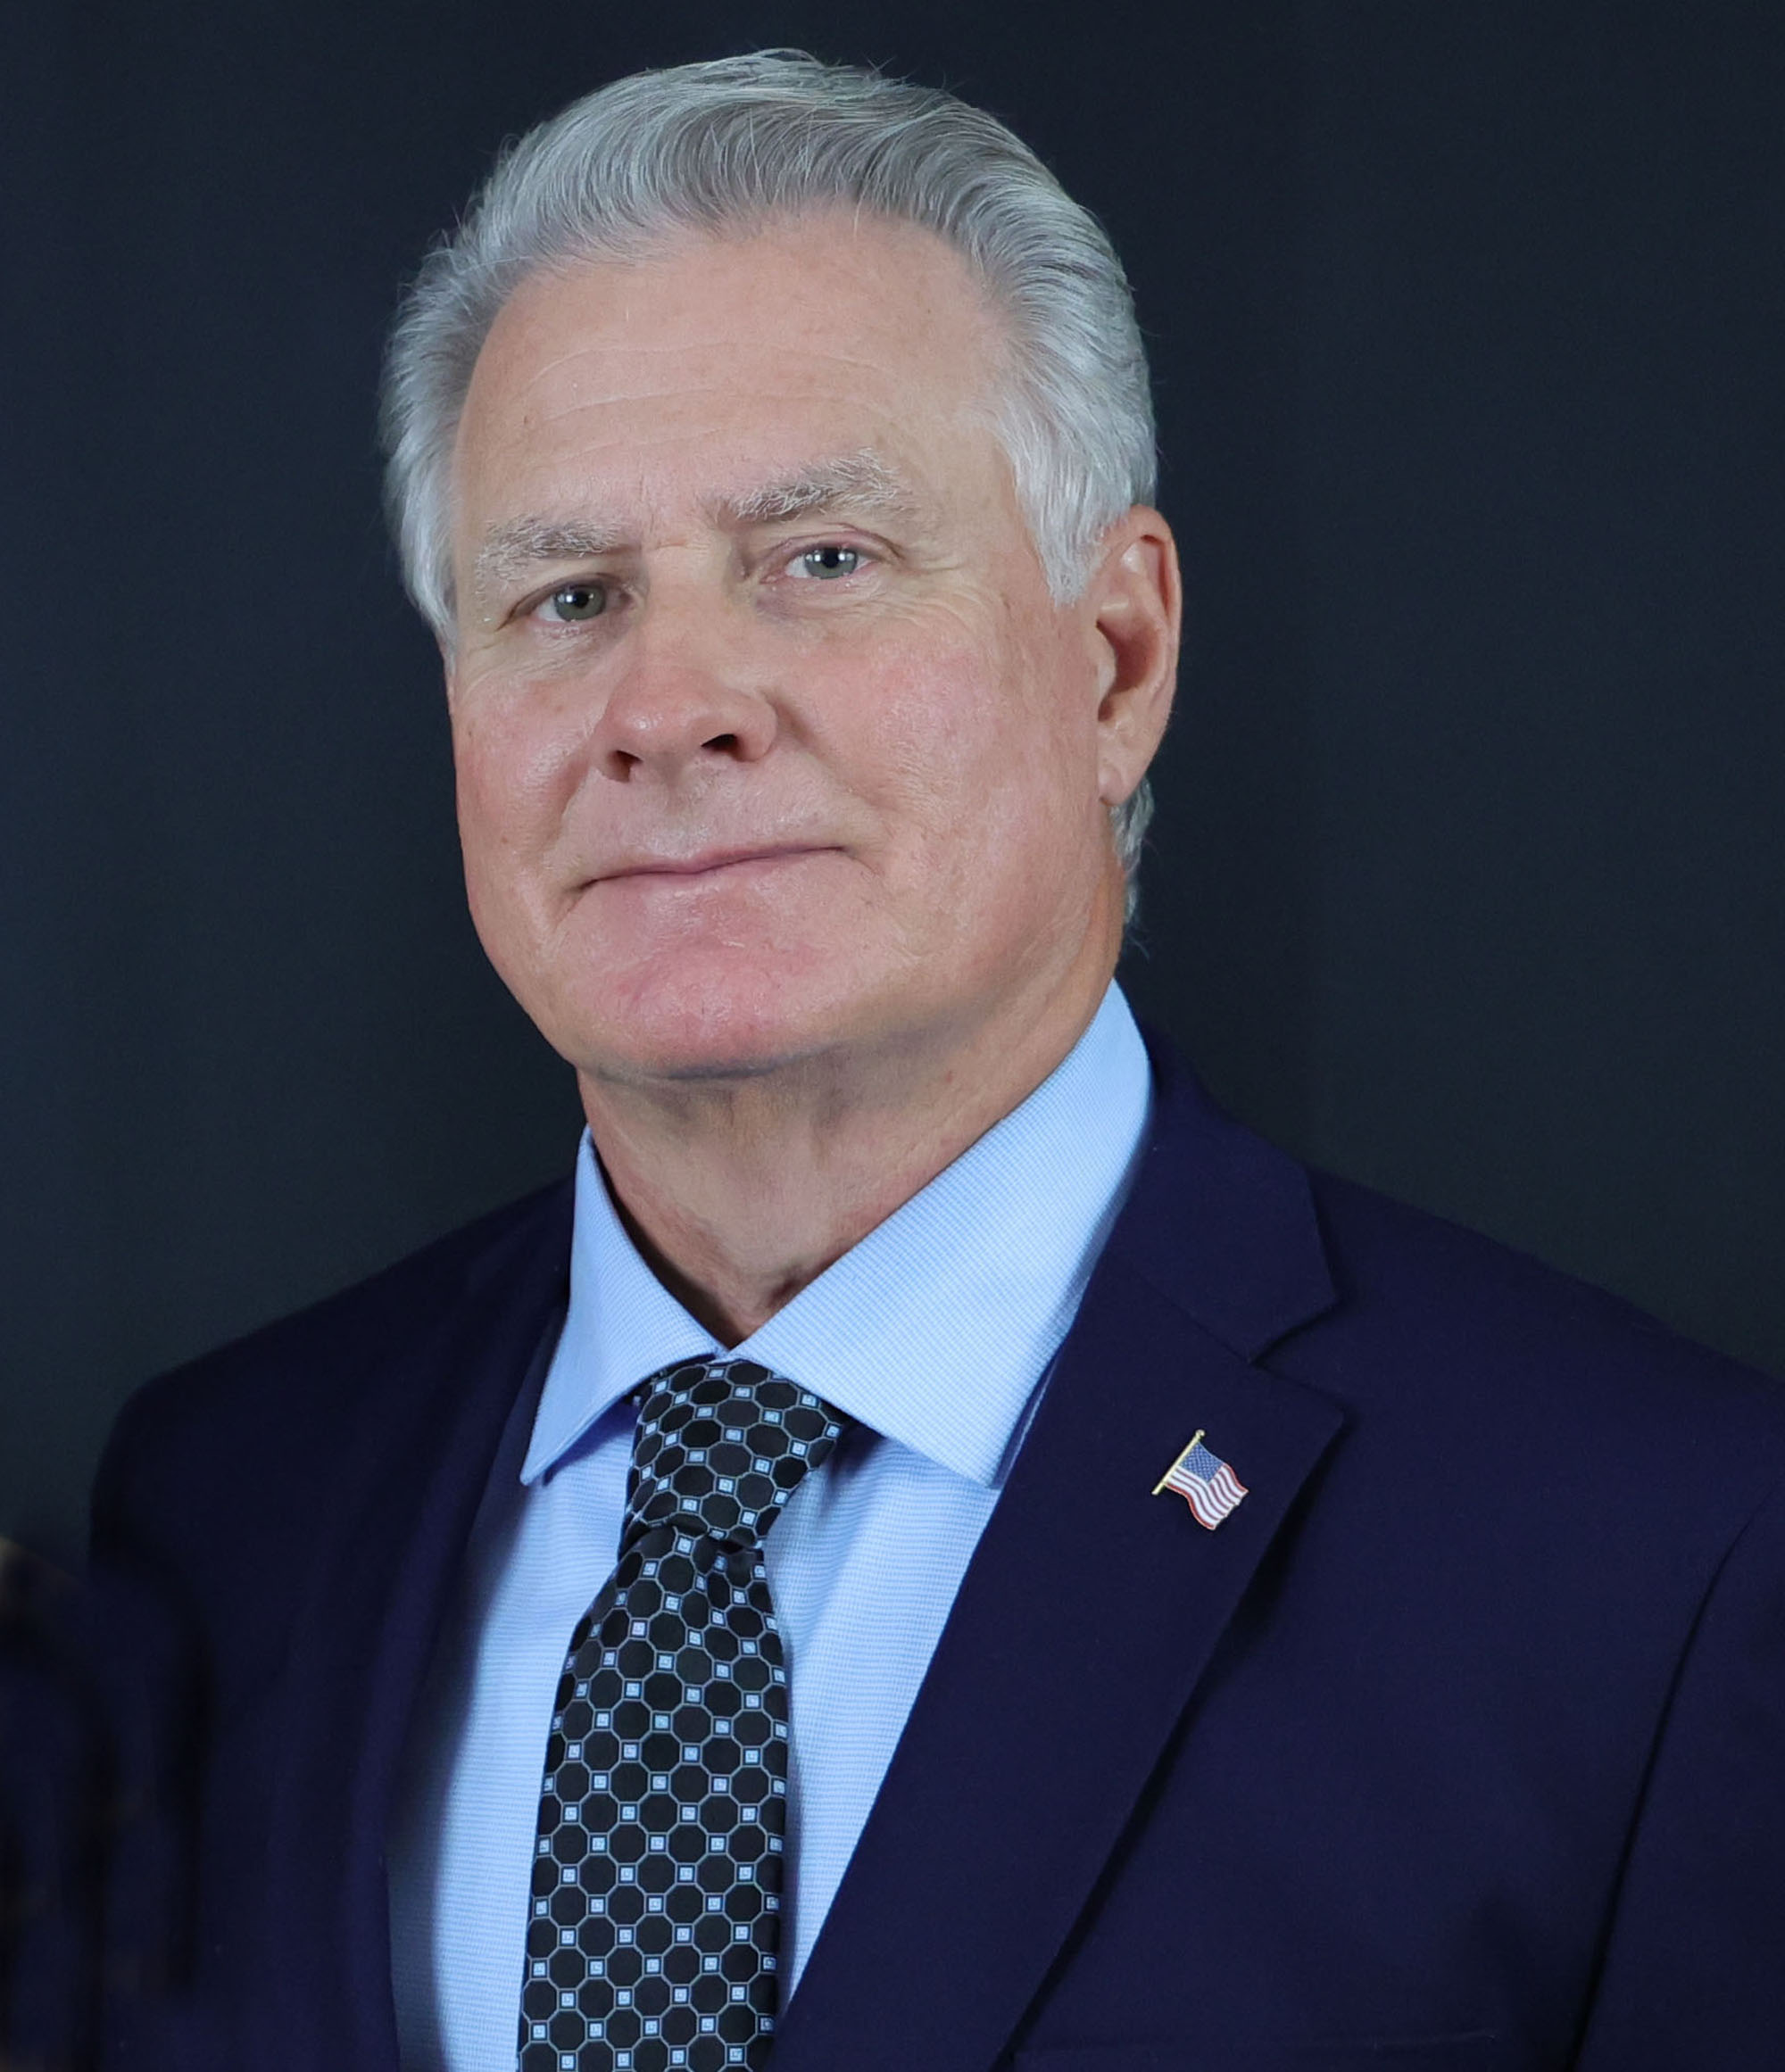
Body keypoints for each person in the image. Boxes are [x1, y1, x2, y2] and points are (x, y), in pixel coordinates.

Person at [79, 50, 1785, 2072]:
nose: (666, 705)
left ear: (1112, 658)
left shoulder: (1652, 1554)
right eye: (566, 594)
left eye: (821, 559)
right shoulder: (223, 1507)